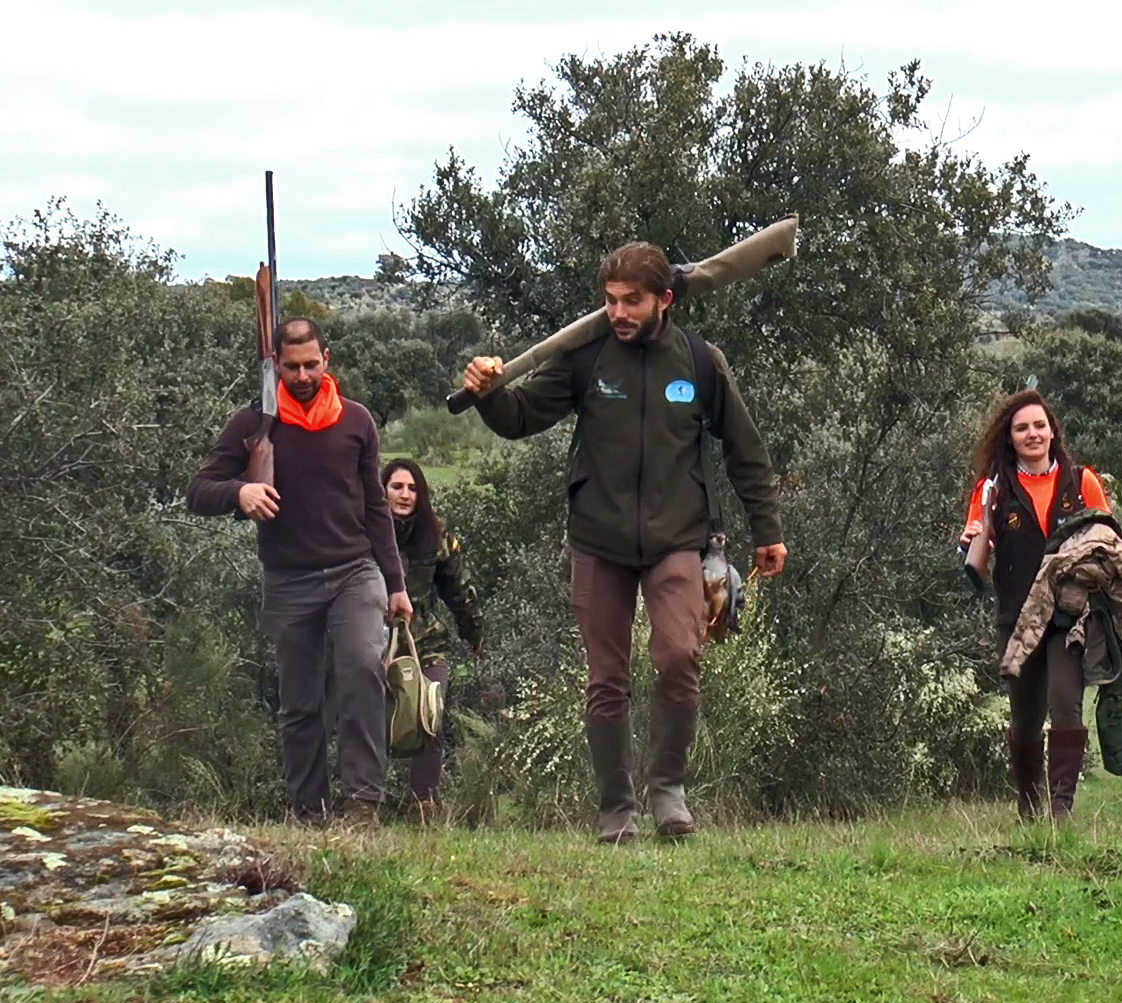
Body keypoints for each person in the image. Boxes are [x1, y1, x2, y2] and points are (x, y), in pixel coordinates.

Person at [460, 241, 786, 843]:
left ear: (664, 300)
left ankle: (668, 793)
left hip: (677, 540)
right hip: (598, 541)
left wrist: (767, 530)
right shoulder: (585, 359)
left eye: (631, 301)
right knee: (606, 678)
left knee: (679, 659)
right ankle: (617, 809)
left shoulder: (700, 362)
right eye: (610, 301)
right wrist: (489, 391)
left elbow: (746, 450)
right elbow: (520, 418)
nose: (618, 313)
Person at [188, 316, 412, 825]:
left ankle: (362, 805)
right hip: (288, 581)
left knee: (360, 670)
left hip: (356, 572)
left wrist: (395, 584)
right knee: (300, 703)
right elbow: (199, 491)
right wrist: (239, 493)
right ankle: (308, 812)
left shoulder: (357, 421)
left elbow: (376, 508)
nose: (304, 375)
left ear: (326, 359)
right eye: (292, 367)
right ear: (275, 367)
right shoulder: (252, 424)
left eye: (312, 364)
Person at [959, 390, 1114, 822]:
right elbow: (975, 535)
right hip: (1017, 617)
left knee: (1066, 706)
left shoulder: (1082, 481)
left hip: (1069, 617)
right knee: (1025, 721)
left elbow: (1109, 542)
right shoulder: (992, 489)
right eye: (1022, 428)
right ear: (1009, 438)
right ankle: (1029, 811)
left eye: (1040, 426)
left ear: (1052, 431)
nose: (1033, 434)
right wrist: (975, 539)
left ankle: (1061, 812)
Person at [383, 457, 484, 817]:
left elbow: (458, 590)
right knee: (365, 717)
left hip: (425, 640)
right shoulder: (363, 530)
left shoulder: (437, 534)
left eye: (412, 488)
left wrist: (473, 631)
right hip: (371, 639)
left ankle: (423, 802)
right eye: (397, 487)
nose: (405, 495)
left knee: (431, 713)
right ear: (383, 490)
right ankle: (363, 799)